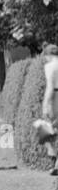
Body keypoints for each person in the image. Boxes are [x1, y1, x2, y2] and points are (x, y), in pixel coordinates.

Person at [37, 44, 58, 174]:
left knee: (45, 129)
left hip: (56, 97)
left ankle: (53, 158)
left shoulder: (50, 66)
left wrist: (45, 105)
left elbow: (50, 87)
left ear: (47, 55)